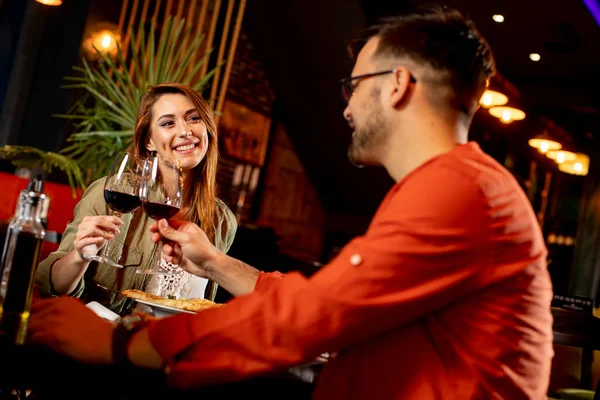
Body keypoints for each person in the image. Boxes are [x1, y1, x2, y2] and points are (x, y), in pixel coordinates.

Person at [28, 5, 554, 399]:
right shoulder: (454, 185)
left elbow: (309, 316)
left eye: (354, 84)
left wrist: (116, 347)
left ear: (397, 85)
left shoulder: (458, 193)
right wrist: (212, 261)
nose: (346, 106)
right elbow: (328, 303)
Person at [36, 83, 237, 314]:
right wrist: (80, 256)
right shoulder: (110, 192)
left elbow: (200, 306)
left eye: (194, 118)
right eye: (168, 123)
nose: (185, 131)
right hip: (107, 340)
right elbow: (53, 287)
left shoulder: (222, 220)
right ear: (149, 141)